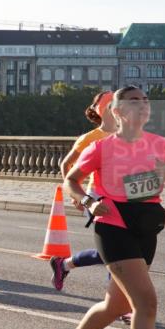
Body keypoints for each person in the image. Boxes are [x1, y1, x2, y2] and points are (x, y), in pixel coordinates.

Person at [54, 86, 165, 329]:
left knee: (115, 304)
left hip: (146, 227)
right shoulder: (102, 147)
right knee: (145, 303)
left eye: (145, 101)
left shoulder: (160, 145)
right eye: (133, 102)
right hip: (113, 226)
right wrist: (89, 201)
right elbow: (71, 180)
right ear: (117, 112)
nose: (142, 106)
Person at [49, 91, 115, 291]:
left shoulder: (129, 135)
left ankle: (63, 265)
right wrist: (77, 196)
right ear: (102, 110)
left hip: (124, 198)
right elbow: (66, 164)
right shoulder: (90, 138)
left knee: (117, 251)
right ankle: (118, 301)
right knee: (116, 251)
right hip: (97, 197)